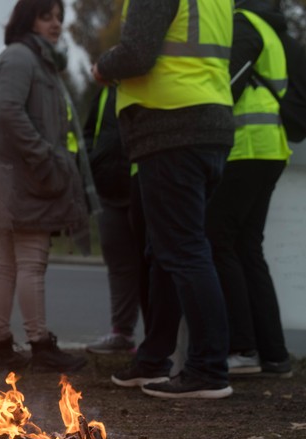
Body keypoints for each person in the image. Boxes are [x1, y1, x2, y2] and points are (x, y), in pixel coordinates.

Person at [93, 0, 236, 398]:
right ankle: (153, 359)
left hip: (171, 126)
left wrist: (102, 67)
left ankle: (208, 369)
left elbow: (137, 54)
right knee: (166, 250)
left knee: (183, 249)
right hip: (207, 124)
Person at [0, 0, 92, 373]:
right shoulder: (21, 58)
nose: (56, 24)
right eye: (47, 16)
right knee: (30, 261)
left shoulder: (32, 59)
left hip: (19, 175)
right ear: (28, 20)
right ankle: (39, 344)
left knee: (9, 263)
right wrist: (45, 155)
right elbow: (9, 111)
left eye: (59, 17)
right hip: (27, 176)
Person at [206, 0, 293, 378]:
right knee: (247, 246)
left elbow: (227, 83)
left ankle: (242, 347)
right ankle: (273, 354)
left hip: (247, 148)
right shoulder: (271, 28)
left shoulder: (243, 24)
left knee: (219, 239)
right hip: (270, 147)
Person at [83, 86, 150, 355]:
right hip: (108, 190)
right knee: (119, 264)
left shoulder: (149, 80)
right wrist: (92, 160)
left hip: (143, 185)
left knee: (153, 264)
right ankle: (121, 333)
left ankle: (157, 339)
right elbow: (88, 132)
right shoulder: (106, 91)